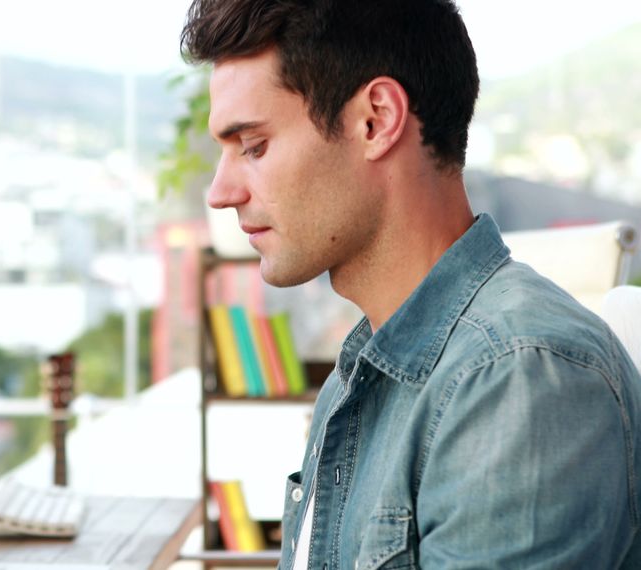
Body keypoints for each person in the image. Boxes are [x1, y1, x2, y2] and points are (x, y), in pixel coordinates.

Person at [180, 0, 641, 568]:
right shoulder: (360, 377)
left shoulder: (516, 377)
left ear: (376, 120)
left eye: (253, 146)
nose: (220, 193)